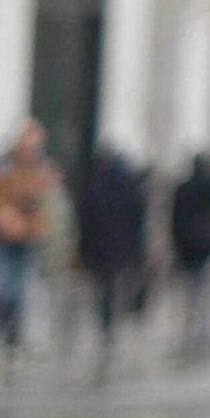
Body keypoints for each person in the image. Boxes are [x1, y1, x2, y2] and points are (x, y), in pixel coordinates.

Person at [0, 122, 58, 361]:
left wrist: (36, 224)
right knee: (3, 287)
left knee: (21, 289)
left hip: (27, 237)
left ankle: (12, 338)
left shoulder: (41, 169)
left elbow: (47, 205)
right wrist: (2, 216)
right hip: (1, 237)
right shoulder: (1, 167)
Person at [71, 140, 150, 367]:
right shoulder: (129, 184)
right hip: (120, 246)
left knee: (102, 287)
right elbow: (138, 216)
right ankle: (111, 322)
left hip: (99, 246)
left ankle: (106, 323)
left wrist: (83, 246)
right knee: (113, 285)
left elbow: (84, 217)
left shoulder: (94, 183)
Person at [168, 152, 210, 358]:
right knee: (204, 293)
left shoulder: (183, 188)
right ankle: (200, 335)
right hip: (206, 249)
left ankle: (189, 332)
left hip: (187, 251)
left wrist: (177, 245)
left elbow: (174, 221)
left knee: (190, 294)